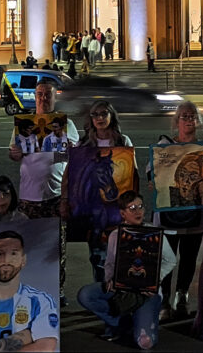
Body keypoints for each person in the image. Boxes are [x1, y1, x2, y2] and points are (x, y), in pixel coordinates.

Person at [9, 78, 78, 304]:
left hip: (54, 195)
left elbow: (72, 156)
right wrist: (17, 154)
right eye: (39, 94)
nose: (43, 98)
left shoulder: (66, 125)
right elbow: (14, 153)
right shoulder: (24, 124)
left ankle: (57, 289)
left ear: (55, 96)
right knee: (28, 247)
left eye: (47, 94)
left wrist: (54, 152)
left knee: (56, 246)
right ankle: (31, 289)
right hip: (28, 197)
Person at [77, 192, 175, 350]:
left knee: (145, 343)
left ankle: (140, 321)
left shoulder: (154, 233)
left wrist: (156, 279)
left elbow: (171, 260)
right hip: (121, 289)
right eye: (133, 208)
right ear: (123, 213)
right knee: (86, 294)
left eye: (141, 207)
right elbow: (109, 263)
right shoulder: (115, 235)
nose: (138, 212)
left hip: (147, 294)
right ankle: (123, 323)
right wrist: (111, 279)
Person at [148, 101, 203, 321]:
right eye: (184, 116)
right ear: (176, 121)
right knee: (167, 258)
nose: (189, 120)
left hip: (196, 214)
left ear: (199, 121)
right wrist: (153, 181)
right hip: (168, 215)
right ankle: (164, 299)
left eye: (192, 116)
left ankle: (181, 296)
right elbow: (152, 172)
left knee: (189, 257)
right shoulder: (164, 146)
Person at [69, 101, 135, 282]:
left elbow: (132, 174)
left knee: (120, 253)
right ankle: (100, 289)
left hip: (119, 207)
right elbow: (74, 175)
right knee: (97, 256)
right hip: (92, 210)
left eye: (103, 113)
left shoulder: (123, 141)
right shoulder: (83, 144)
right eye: (95, 114)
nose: (99, 118)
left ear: (111, 116)